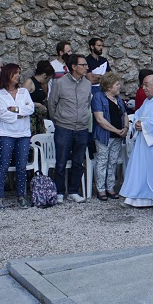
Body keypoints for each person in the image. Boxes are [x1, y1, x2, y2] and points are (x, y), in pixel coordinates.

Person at [120, 74, 153, 207]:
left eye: (146, 85)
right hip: (143, 142)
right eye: (143, 85)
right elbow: (138, 114)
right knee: (139, 170)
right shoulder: (148, 101)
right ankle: (135, 198)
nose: (144, 88)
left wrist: (143, 125)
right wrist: (137, 123)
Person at [47, 54, 92, 203]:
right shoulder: (59, 83)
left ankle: (73, 191)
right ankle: (59, 191)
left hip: (82, 128)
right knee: (61, 161)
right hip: (64, 127)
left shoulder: (87, 84)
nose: (86, 67)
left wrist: (84, 118)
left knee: (78, 161)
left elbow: (87, 104)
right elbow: (52, 104)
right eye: (83, 65)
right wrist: (59, 120)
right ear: (74, 67)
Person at [0, 63, 34, 209]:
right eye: (15, 73)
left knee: (21, 166)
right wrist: (20, 115)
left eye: (19, 72)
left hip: (23, 133)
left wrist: (15, 109)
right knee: (3, 165)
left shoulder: (24, 92)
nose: (18, 75)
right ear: (7, 75)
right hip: (6, 133)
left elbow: (31, 109)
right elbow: (2, 114)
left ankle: (21, 196)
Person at [92, 72, 129, 201]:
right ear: (108, 86)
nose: (119, 86)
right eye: (117, 84)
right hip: (104, 136)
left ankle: (110, 187)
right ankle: (101, 189)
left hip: (117, 136)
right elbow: (100, 119)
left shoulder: (118, 99)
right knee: (102, 162)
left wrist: (125, 128)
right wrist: (117, 130)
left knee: (113, 162)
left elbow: (124, 114)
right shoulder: (98, 97)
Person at [22, 60, 54, 135]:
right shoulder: (29, 82)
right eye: (48, 79)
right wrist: (37, 105)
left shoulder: (42, 84)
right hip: (30, 118)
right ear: (44, 75)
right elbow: (21, 101)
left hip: (39, 118)